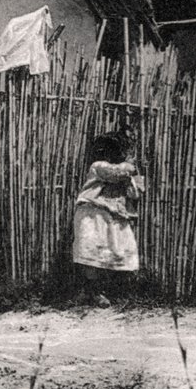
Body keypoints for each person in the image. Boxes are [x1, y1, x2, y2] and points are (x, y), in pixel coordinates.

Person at [72, 130, 143, 306]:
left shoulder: (125, 174)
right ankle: (92, 292)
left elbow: (134, 193)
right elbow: (117, 172)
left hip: (115, 217)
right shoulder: (98, 167)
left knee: (116, 252)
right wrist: (131, 166)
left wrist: (134, 180)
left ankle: (109, 291)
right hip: (93, 214)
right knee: (92, 251)